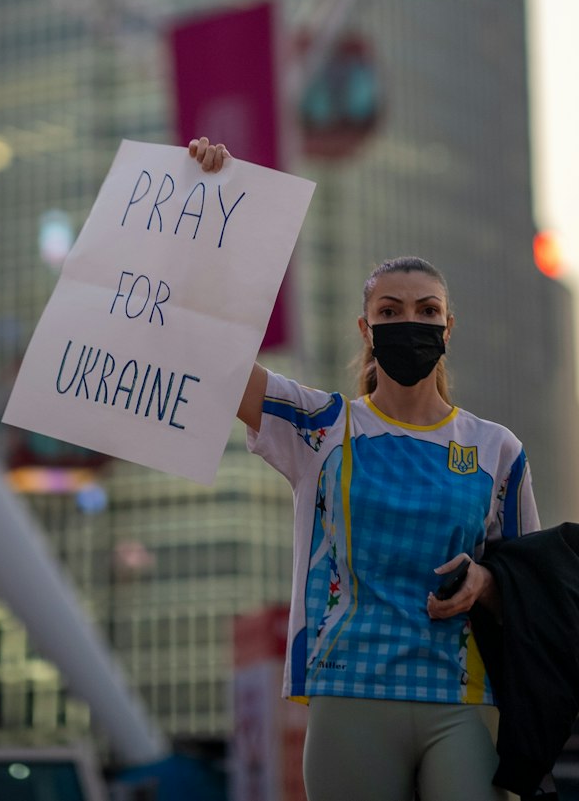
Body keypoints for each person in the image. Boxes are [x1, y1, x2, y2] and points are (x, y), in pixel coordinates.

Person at [189, 136, 540, 801]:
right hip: (348, 689)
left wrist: (491, 581)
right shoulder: (321, 426)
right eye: (390, 312)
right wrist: (209, 202)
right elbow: (213, 359)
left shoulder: (498, 449)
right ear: (365, 329)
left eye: (426, 311)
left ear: (448, 325)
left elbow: (534, 581)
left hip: (462, 697)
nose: (410, 323)